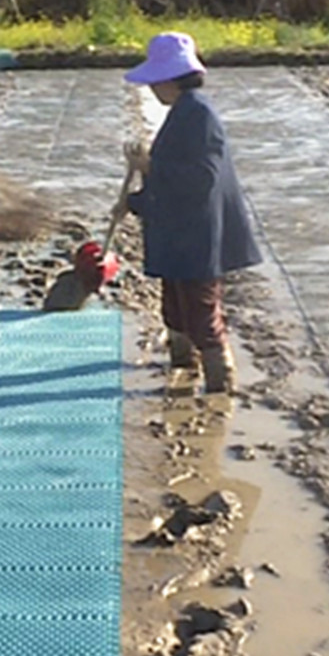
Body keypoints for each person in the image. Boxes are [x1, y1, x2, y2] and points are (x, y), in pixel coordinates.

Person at [121, 31, 261, 394]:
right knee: (175, 308)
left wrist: (150, 168)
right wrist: (136, 201)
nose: (152, 89)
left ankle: (220, 384)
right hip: (178, 232)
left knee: (201, 314)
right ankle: (183, 364)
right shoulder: (183, 112)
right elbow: (172, 179)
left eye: (155, 81)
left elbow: (202, 178)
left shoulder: (199, 114)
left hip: (198, 235)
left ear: (171, 79)